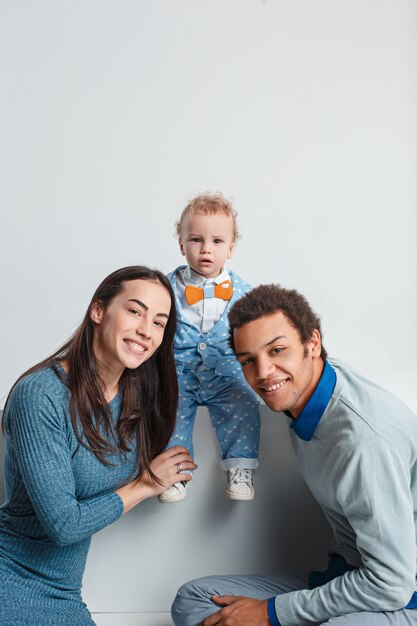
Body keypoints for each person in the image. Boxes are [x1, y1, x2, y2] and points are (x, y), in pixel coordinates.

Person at [171, 284, 417, 625]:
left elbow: (393, 584)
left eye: (277, 350)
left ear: (312, 344)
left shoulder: (364, 441)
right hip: (344, 580)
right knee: (193, 599)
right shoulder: (313, 391)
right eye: (248, 360)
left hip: (402, 597)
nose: (264, 372)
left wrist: (271, 613)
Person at [0, 266, 197, 626]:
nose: (145, 330)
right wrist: (145, 486)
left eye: (158, 322)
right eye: (135, 311)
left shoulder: (136, 398)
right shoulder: (41, 395)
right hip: (10, 580)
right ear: (98, 311)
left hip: (65, 593)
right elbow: (64, 526)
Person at [158, 193, 260, 503]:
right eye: (196, 240)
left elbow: (254, 334)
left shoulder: (244, 293)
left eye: (217, 241)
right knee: (168, 410)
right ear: (181, 244)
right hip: (179, 375)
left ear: (230, 249)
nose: (206, 249)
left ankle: (241, 468)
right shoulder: (164, 287)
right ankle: (176, 473)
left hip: (225, 374)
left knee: (244, 403)